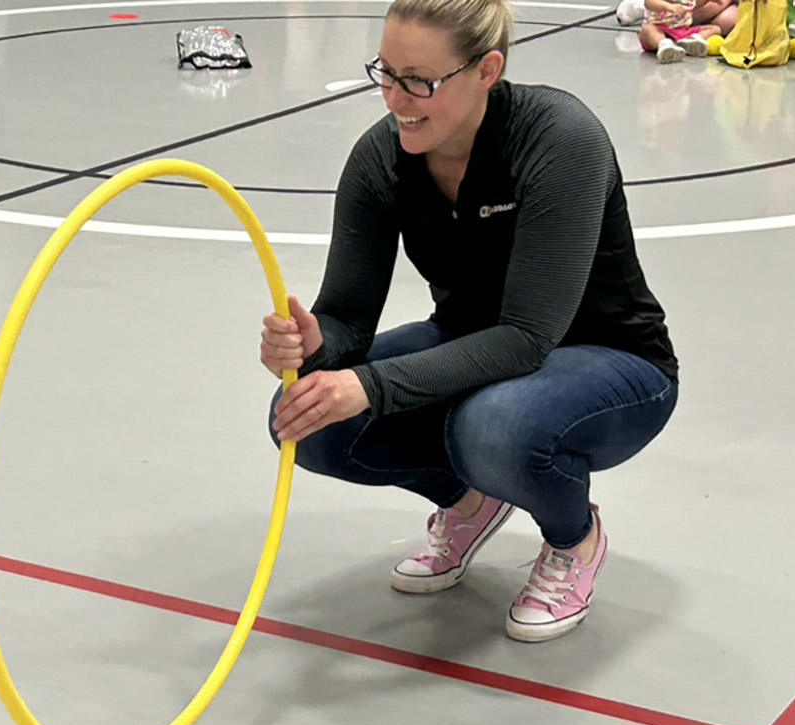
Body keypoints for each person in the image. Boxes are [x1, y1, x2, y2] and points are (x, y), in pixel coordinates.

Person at [260, 0, 679, 644]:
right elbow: (346, 315)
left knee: (494, 426)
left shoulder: (559, 137)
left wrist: (369, 386)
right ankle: (468, 503)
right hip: (474, 343)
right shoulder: (380, 158)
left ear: (487, 69)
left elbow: (527, 336)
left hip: (615, 361)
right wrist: (316, 347)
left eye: (420, 81)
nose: (397, 99)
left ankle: (574, 540)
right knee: (309, 422)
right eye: (387, 73)